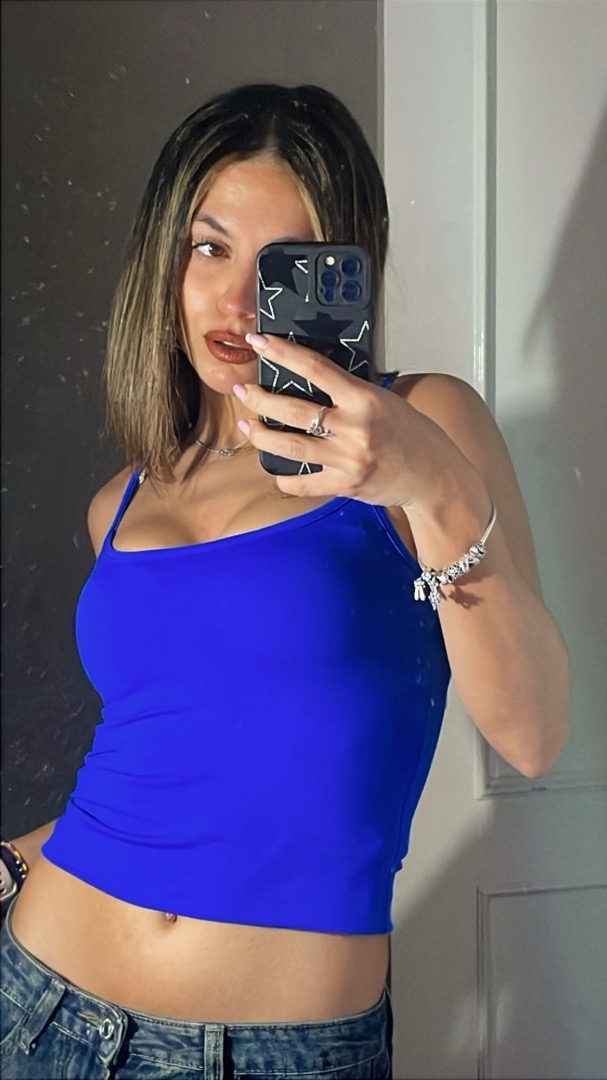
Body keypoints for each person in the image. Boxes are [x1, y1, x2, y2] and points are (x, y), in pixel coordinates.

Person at [0, 82, 570, 1080]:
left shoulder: (423, 425)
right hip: (40, 1004)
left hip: (278, 1052)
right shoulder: (122, 500)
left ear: (340, 272)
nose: (233, 301)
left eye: (280, 263)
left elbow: (531, 735)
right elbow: (177, 759)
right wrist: (14, 859)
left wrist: (431, 486)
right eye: (208, 247)